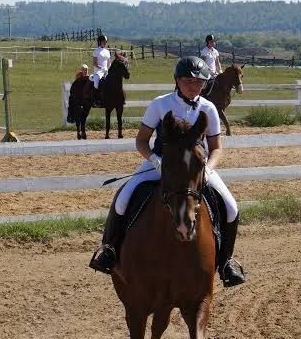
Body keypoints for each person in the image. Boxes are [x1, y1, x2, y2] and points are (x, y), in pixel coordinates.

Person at [88, 56, 246, 287]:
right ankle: (109, 250)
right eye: (188, 82)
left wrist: (209, 169)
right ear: (177, 81)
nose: (194, 87)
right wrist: (153, 159)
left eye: (199, 83)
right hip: (161, 163)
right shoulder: (160, 104)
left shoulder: (209, 108)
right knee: (123, 198)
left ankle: (226, 262)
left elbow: (216, 148)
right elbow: (142, 140)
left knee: (231, 207)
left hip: (195, 169)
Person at [90, 35, 111, 107]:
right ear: (100, 42)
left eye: (106, 42)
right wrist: (101, 68)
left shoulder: (107, 51)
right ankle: (95, 100)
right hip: (98, 71)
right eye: (104, 41)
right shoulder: (96, 51)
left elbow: (109, 62)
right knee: (96, 83)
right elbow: (94, 63)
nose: (105, 43)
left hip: (106, 70)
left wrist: (108, 68)